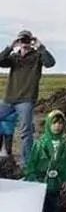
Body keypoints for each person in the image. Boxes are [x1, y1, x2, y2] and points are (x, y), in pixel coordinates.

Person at [0, 30, 55, 166]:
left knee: (25, 131)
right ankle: (6, 152)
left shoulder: (37, 56)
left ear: (31, 41)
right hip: (9, 98)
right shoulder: (13, 57)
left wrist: (40, 47)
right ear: (18, 42)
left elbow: (50, 63)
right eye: (21, 40)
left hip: (26, 99)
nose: (24, 42)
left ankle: (27, 164)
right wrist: (10, 46)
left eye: (27, 40)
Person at [24, 110, 66, 212]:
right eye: (54, 123)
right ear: (48, 124)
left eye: (60, 123)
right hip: (41, 181)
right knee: (39, 207)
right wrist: (31, 176)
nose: (57, 126)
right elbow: (33, 162)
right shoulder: (41, 143)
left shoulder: (65, 144)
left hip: (55, 182)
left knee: (53, 206)